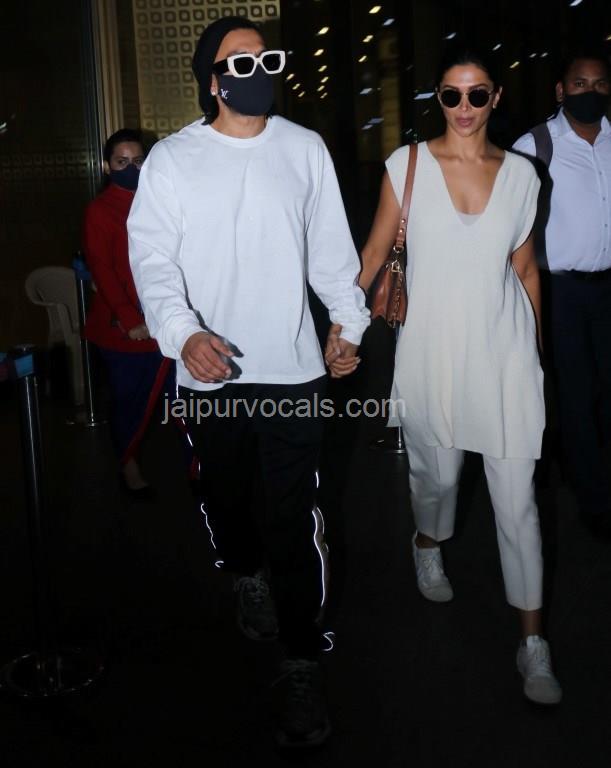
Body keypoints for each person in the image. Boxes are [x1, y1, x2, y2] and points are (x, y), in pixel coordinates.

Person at [127, 16, 368, 748]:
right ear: (211, 81)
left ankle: (301, 658)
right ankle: (243, 570)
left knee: (294, 518)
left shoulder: (304, 149)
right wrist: (184, 334)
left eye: (266, 59)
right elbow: (153, 261)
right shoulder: (173, 160)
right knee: (227, 498)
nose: (255, 72)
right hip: (212, 377)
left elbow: (331, 252)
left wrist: (347, 324)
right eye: (238, 63)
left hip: (293, 373)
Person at [359, 46, 562, 705]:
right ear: (438, 100)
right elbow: (373, 253)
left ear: (496, 97)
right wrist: (341, 330)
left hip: (504, 355)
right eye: (452, 95)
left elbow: (524, 269)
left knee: (517, 504)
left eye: (477, 94)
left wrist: (536, 355)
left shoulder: (523, 175)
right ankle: (427, 539)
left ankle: (532, 642)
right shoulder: (407, 165)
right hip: (431, 353)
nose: (465, 107)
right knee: (438, 481)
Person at [513, 48, 611, 538]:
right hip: (560, 292)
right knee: (574, 394)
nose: (590, 92)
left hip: (607, 287)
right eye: (580, 83)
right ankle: (596, 502)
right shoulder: (534, 146)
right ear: (560, 90)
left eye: (600, 83)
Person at [83, 129, 176, 500]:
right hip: (124, 327)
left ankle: (196, 465)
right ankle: (129, 465)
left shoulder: (161, 201)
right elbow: (102, 269)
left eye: (138, 161)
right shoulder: (100, 210)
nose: (131, 168)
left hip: (166, 320)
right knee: (129, 400)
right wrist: (128, 318)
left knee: (183, 400)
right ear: (107, 166)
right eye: (121, 162)